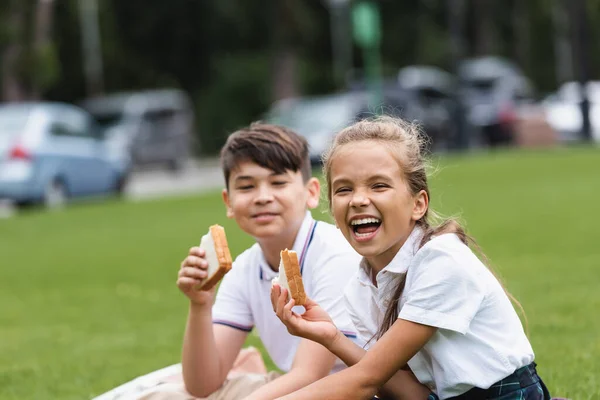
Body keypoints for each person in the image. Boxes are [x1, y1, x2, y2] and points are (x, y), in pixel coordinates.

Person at [271, 117, 551, 400]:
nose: (357, 200)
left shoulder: (442, 261)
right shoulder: (359, 288)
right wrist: (331, 337)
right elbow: (412, 395)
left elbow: (364, 381)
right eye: (344, 189)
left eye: (378, 186)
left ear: (418, 204)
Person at [92, 123, 367, 400]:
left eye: (278, 183)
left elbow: (310, 375)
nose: (262, 197)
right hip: (292, 388)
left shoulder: (335, 254)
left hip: (346, 391)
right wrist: (200, 304)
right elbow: (202, 386)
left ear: (310, 192)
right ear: (228, 201)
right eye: (246, 186)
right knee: (166, 395)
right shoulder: (244, 268)